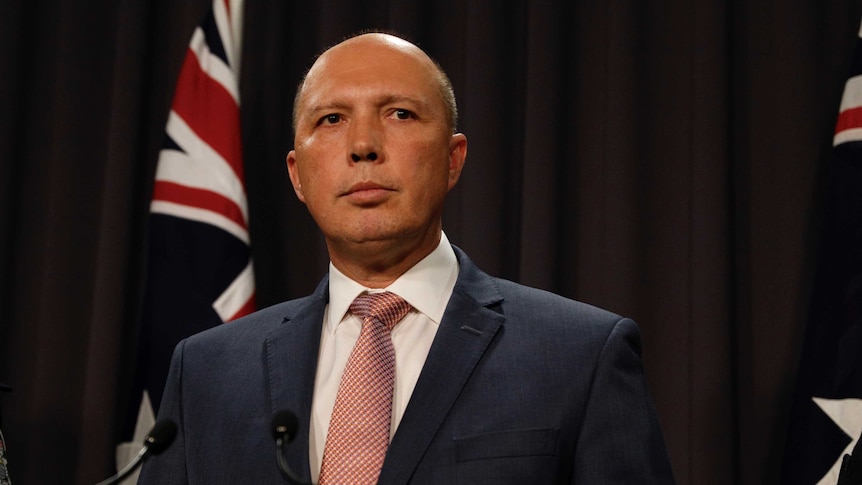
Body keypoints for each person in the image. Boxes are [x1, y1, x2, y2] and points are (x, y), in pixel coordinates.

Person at [139, 32, 676, 484]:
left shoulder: (580, 356)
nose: (363, 145)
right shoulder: (205, 372)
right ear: (298, 176)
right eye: (330, 119)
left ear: (452, 158)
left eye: (399, 113)